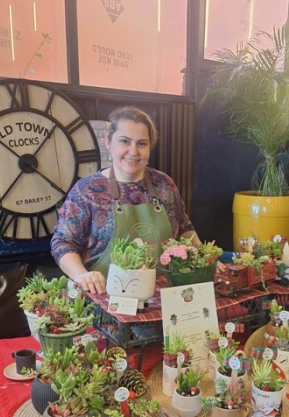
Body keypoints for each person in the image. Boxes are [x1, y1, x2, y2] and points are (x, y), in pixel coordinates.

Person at [52, 106, 210, 294]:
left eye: (142, 143)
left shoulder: (164, 184)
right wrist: (81, 275)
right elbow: (63, 242)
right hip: (106, 298)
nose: (133, 151)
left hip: (163, 296)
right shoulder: (87, 190)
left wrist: (205, 258)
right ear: (108, 141)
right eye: (124, 141)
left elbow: (184, 228)